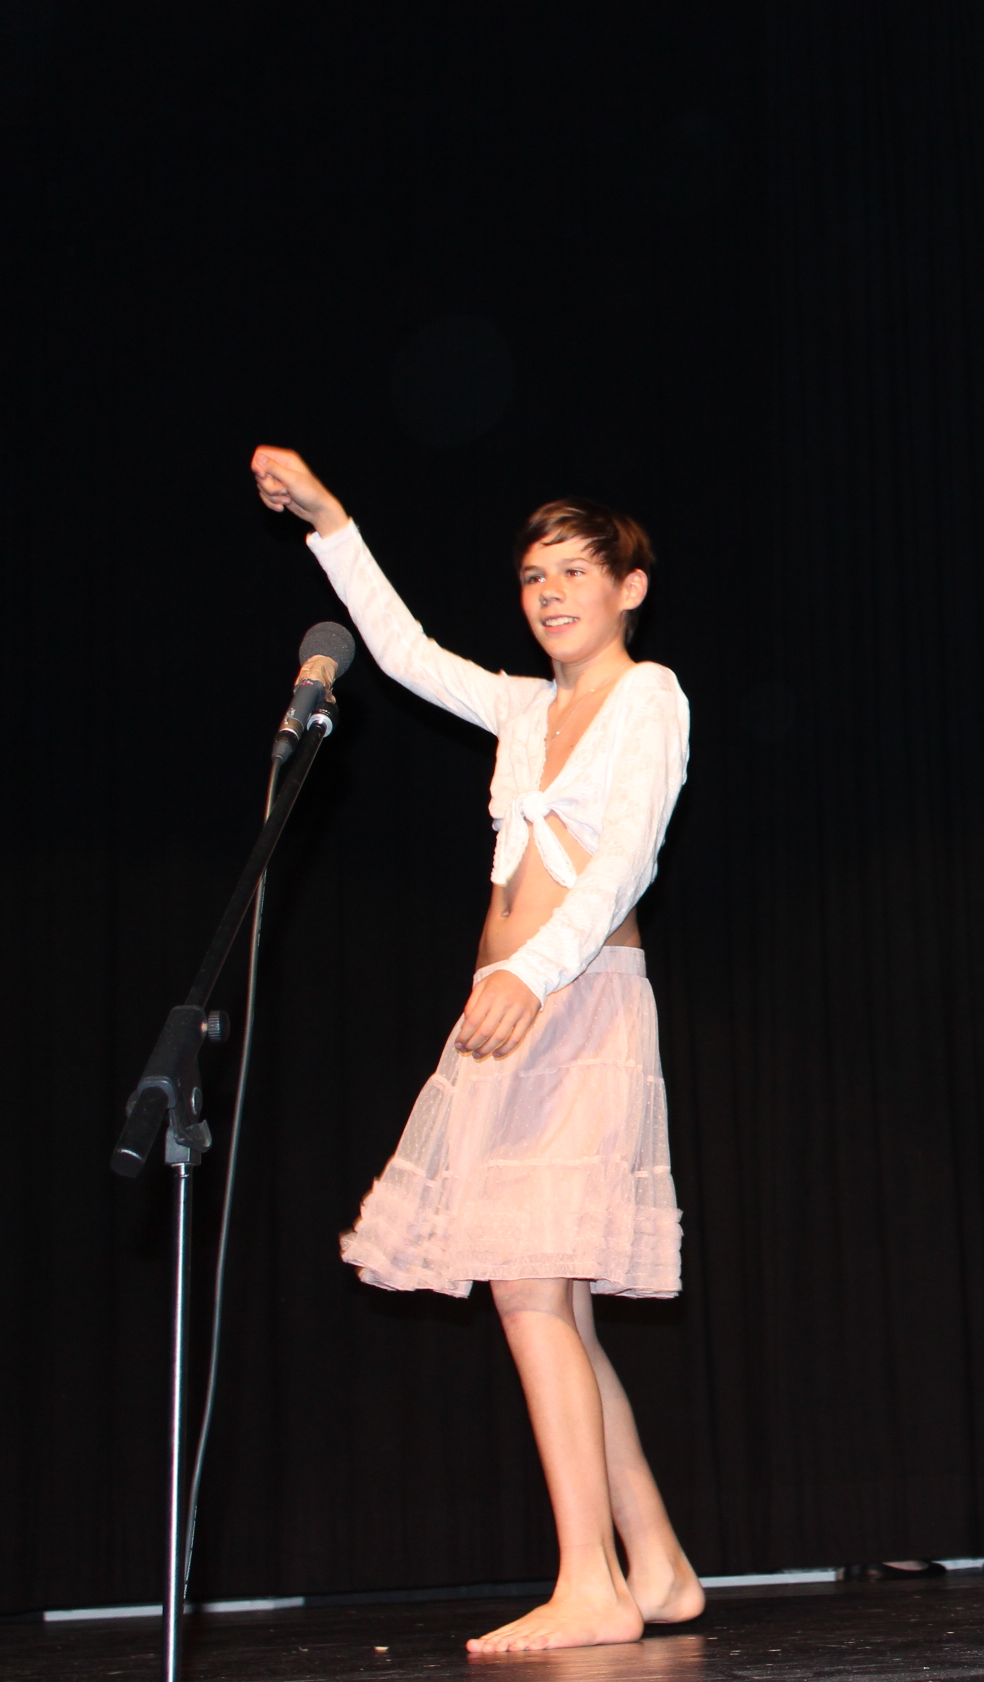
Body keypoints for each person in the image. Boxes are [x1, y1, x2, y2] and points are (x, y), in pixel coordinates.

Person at [250, 448, 702, 1652]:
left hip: (574, 1002)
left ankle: (591, 1582)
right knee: (554, 1302)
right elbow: (402, 653)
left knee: (527, 1287)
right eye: (533, 577)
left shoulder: (648, 697)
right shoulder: (524, 709)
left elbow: (626, 864)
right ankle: (656, 1565)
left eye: (574, 572)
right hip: (505, 1012)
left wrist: (528, 972)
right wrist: (332, 521)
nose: (549, 593)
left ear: (629, 589)